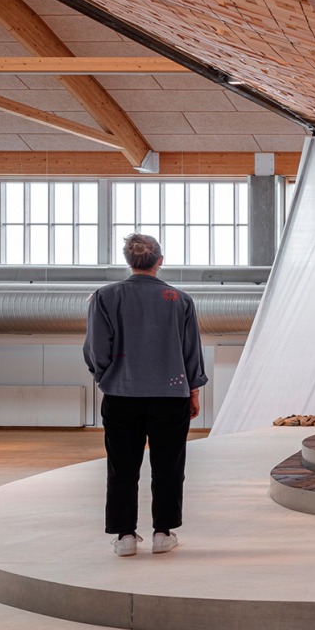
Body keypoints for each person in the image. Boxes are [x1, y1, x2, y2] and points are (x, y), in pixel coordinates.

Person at [84, 233, 206, 557]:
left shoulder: (105, 297)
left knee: (121, 467)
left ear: (129, 261)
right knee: (169, 465)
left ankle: (124, 536)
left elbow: (97, 347)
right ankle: (163, 533)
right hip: (170, 395)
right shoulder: (179, 300)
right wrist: (193, 391)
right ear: (160, 261)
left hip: (121, 395)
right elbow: (191, 352)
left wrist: (105, 377)